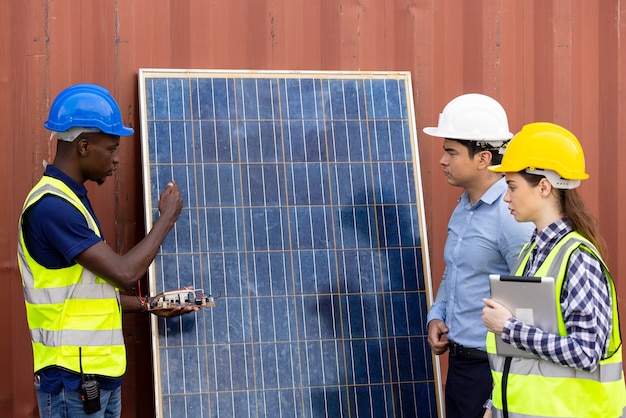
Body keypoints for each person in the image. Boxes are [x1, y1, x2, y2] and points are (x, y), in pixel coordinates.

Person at [17, 83, 198, 417]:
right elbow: (124, 272)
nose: (116, 160)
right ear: (84, 146)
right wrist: (167, 219)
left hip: (96, 377)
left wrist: (150, 304)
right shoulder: (52, 208)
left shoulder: (71, 201)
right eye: (111, 149)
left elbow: (88, 293)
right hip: (72, 381)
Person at [481, 122, 626, 418]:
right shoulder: (531, 252)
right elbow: (522, 362)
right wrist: (493, 405)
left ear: (544, 186)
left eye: (511, 186)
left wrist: (508, 328)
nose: (506, 198)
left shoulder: (578, 259)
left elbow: (586, 352)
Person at [423, 94, 534, 418]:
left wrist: (495, 399)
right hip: (459, 368)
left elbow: (528, 306)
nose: (443, 160)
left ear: (483, 158)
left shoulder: (510, 217)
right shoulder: (463, 207)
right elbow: (454, 270)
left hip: (492, 373)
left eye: (451, 152)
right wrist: (437, 314)